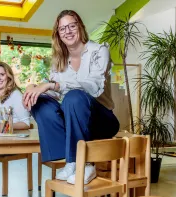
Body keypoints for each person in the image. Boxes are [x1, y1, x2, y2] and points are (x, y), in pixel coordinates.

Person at [22, 10, 120, 185]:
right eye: (62, 29)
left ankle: (84, 163)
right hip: (75, 118)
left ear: (80, 27)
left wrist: (53, 85)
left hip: (102, 119)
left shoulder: (99, 51)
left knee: (74, 97)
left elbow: (94, 86)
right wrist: (34, 88)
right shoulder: (59, 61)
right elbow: (54, 92)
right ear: (58, 34)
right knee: (41, 102)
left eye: (71, 26)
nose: (67, 31)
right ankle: (72, 160)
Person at [0, 61, 30, 131]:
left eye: (2, 74)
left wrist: (5, 126)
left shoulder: (16, 95)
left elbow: (26, 124)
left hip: (9, 136)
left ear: (8, 77)